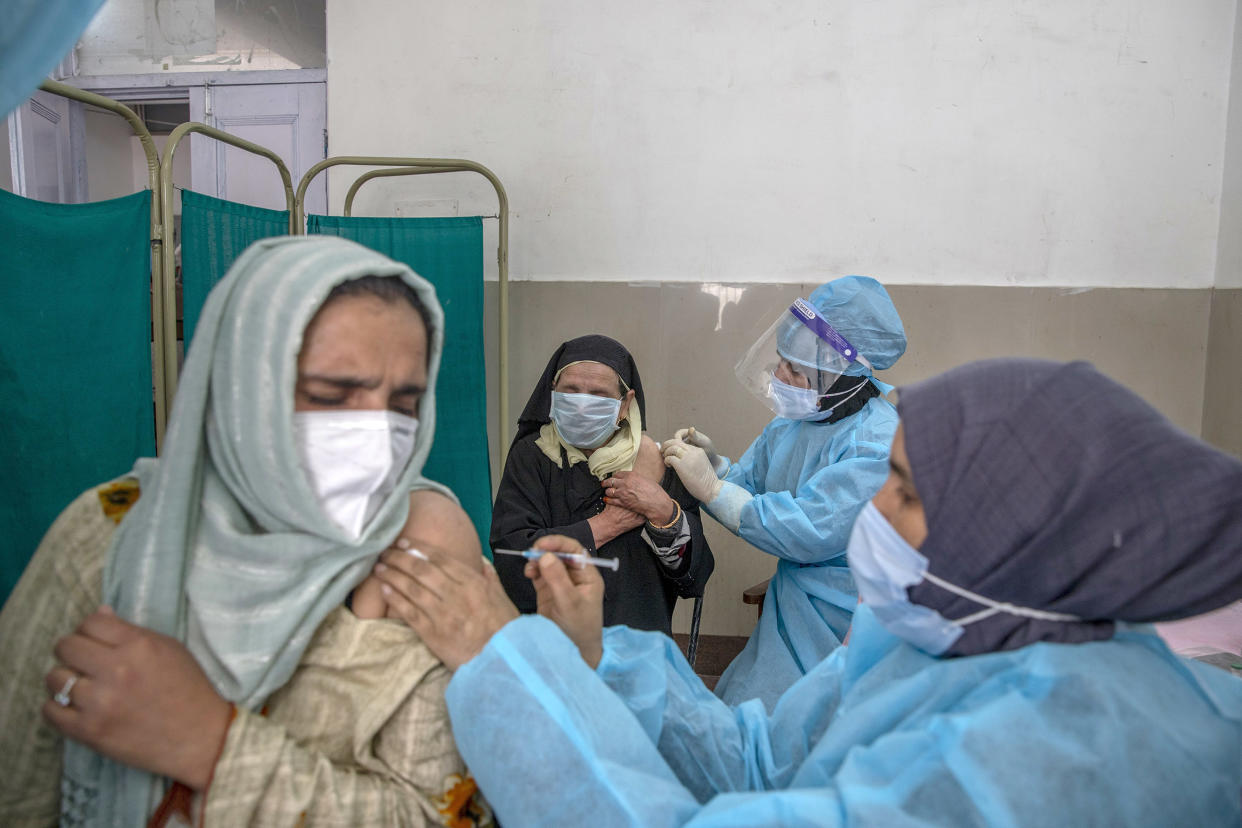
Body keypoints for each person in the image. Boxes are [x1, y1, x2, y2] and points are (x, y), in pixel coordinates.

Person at [372, 358, 1242, 826]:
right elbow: (756, 760)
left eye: (900, 488)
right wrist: (598, 663)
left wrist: (514, 666)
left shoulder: (1060, 755)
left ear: (1011, 529)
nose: (873, 509)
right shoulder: (928, 638)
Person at [0, 236, 492, 827]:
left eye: (403, 405)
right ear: (240, 390)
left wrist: (213, 744)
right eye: (331, 396)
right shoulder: (109, 539)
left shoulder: (420, 555)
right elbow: (17, 790)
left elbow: (440, 815)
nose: (375, 438)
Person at [662, 275, 907, 710]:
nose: (780, 375)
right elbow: (751, 487)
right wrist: (715, 467)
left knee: (798, 729)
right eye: (782, 360)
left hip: (844, 616)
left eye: (795, 368)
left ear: (844, 372)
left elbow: (809, 530)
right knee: (744, 712)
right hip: (791, 609)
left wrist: (713, 488)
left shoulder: (875, 445)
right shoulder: (797, 422)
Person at [490, 335, 713, 634]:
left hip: (640, 648)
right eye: (571, 390)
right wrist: (605, 525)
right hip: (552, 648)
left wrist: (665, 514)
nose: (582, 406)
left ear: (625, 403)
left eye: (598, 394)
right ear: (553, 393)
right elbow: (512, 562)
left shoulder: (655, 463)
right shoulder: (532, 455)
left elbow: (693, 578)